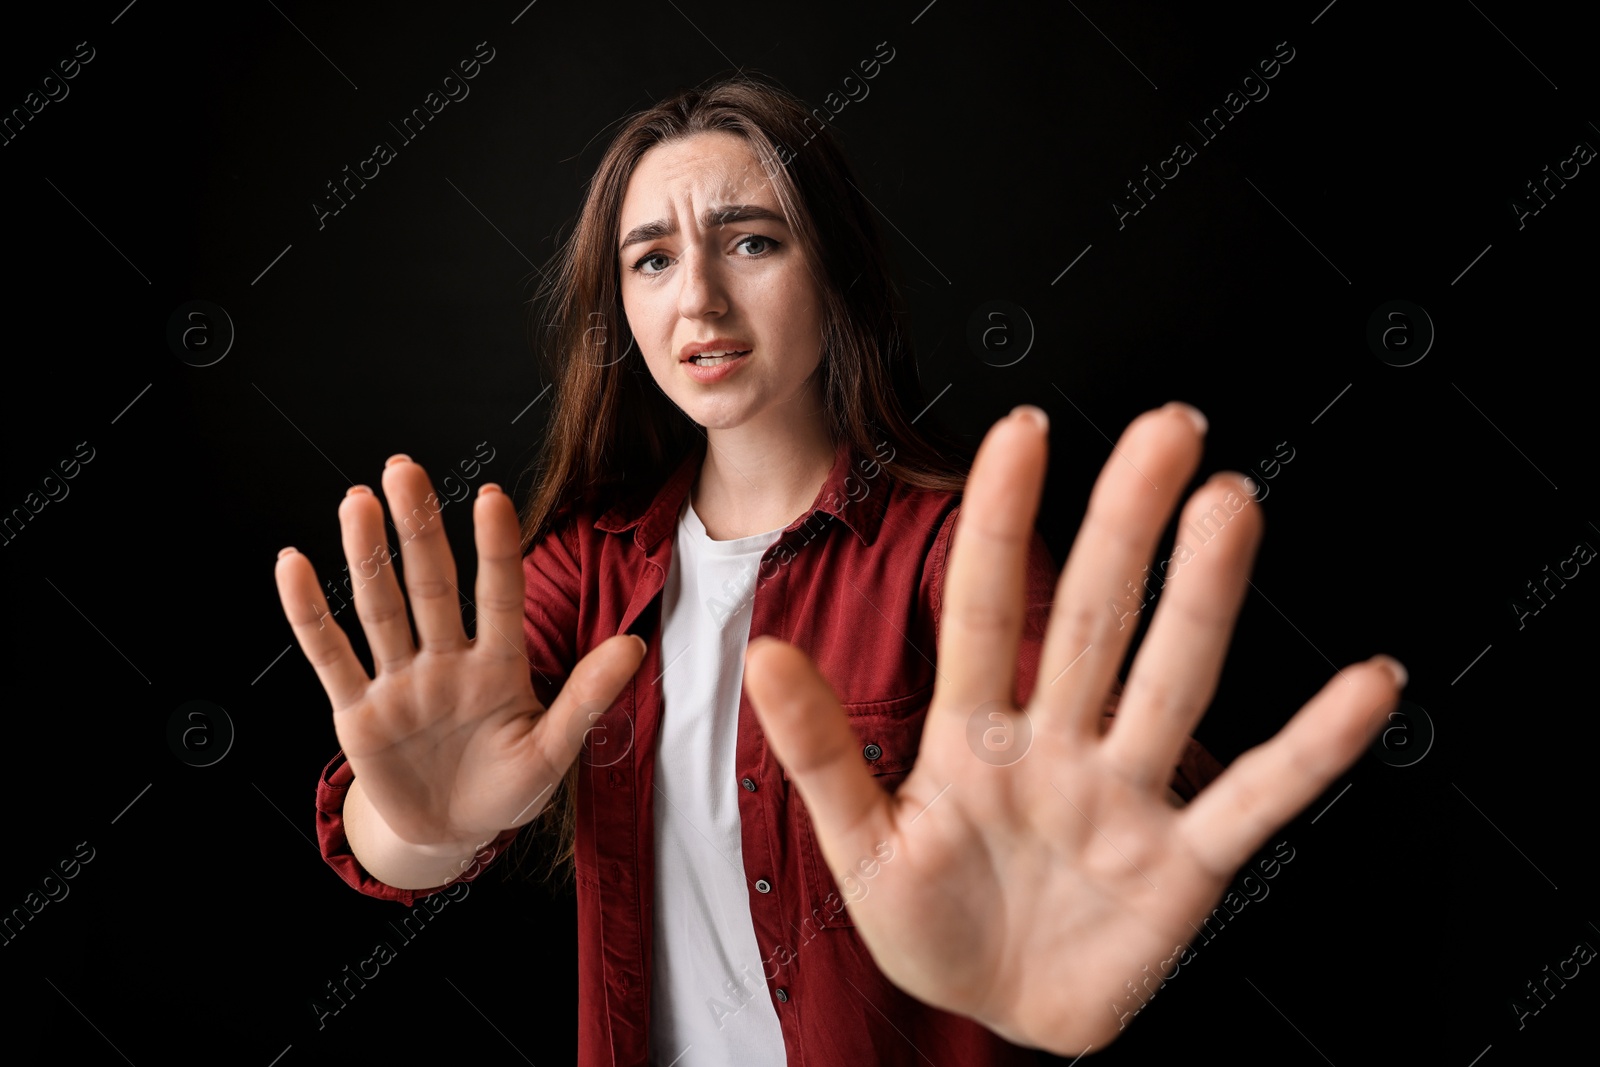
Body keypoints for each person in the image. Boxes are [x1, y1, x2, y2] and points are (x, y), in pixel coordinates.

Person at [273, 73, 1404, 1064]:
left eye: (752, 240)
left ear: (841, 275)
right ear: (618, 306)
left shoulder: (952, 550)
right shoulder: (585, 562)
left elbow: (1111, 798)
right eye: (652, 258)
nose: (700, 300)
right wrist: (421, 826)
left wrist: (1092, 868)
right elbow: (387, 838)